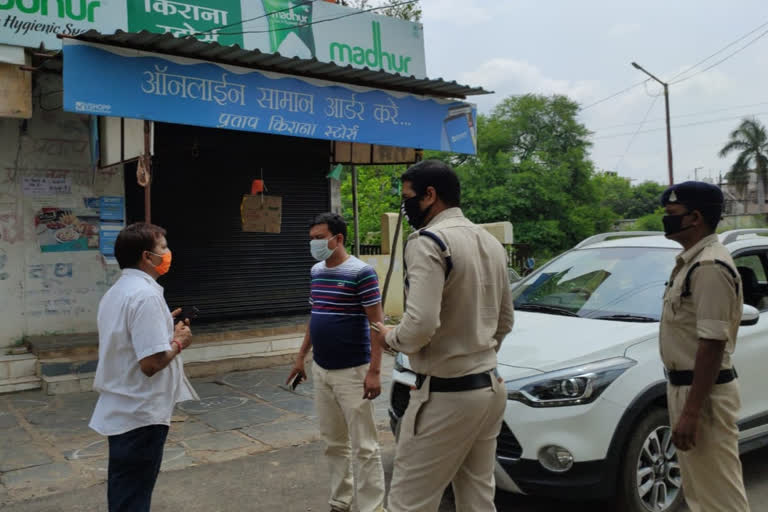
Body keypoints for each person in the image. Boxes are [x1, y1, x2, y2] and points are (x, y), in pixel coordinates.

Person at [370, 160, 514, 512]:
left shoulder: (428, 241)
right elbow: (505, 321)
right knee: (477, 497)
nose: (405, 206)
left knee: (408, 502)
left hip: (447, 395)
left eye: (407, 197)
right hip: (489, 388)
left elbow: (420, 325)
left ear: (429, 195)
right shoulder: (490, 243)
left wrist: (389, 338)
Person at [90, 223, 198, 512]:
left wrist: (163, 321)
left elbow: (129, 338)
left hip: (122, 409)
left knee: (125, 490)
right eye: (163, 248)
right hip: (141, 414)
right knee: (133, 496)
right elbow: (150, 364)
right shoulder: (146, 296)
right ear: (146, 257)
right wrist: (178, 342)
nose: (168, 253)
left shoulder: (118, 291)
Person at [659, 181, 750, 512]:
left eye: (671, 214)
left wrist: (692, 412)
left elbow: (712, 343)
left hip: (703, 393)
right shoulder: (691, 262)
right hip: (687, 388)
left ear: (694, 217)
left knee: (719, 496)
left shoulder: (709, 266)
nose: (665, 219)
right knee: (700, 492)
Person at [286, 212, 386, 512]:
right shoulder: (317, 271)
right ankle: (340, 501)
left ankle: (372, 507)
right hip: (323, 369)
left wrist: (375, 371)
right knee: (333, 442)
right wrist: (301, 356)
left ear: (338, 238)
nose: (315, 244)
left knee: (365, 446)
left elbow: (377, 325)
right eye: (312, 239)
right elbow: (315, 317)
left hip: (353, 372)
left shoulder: (362, 272)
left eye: (320, 238)